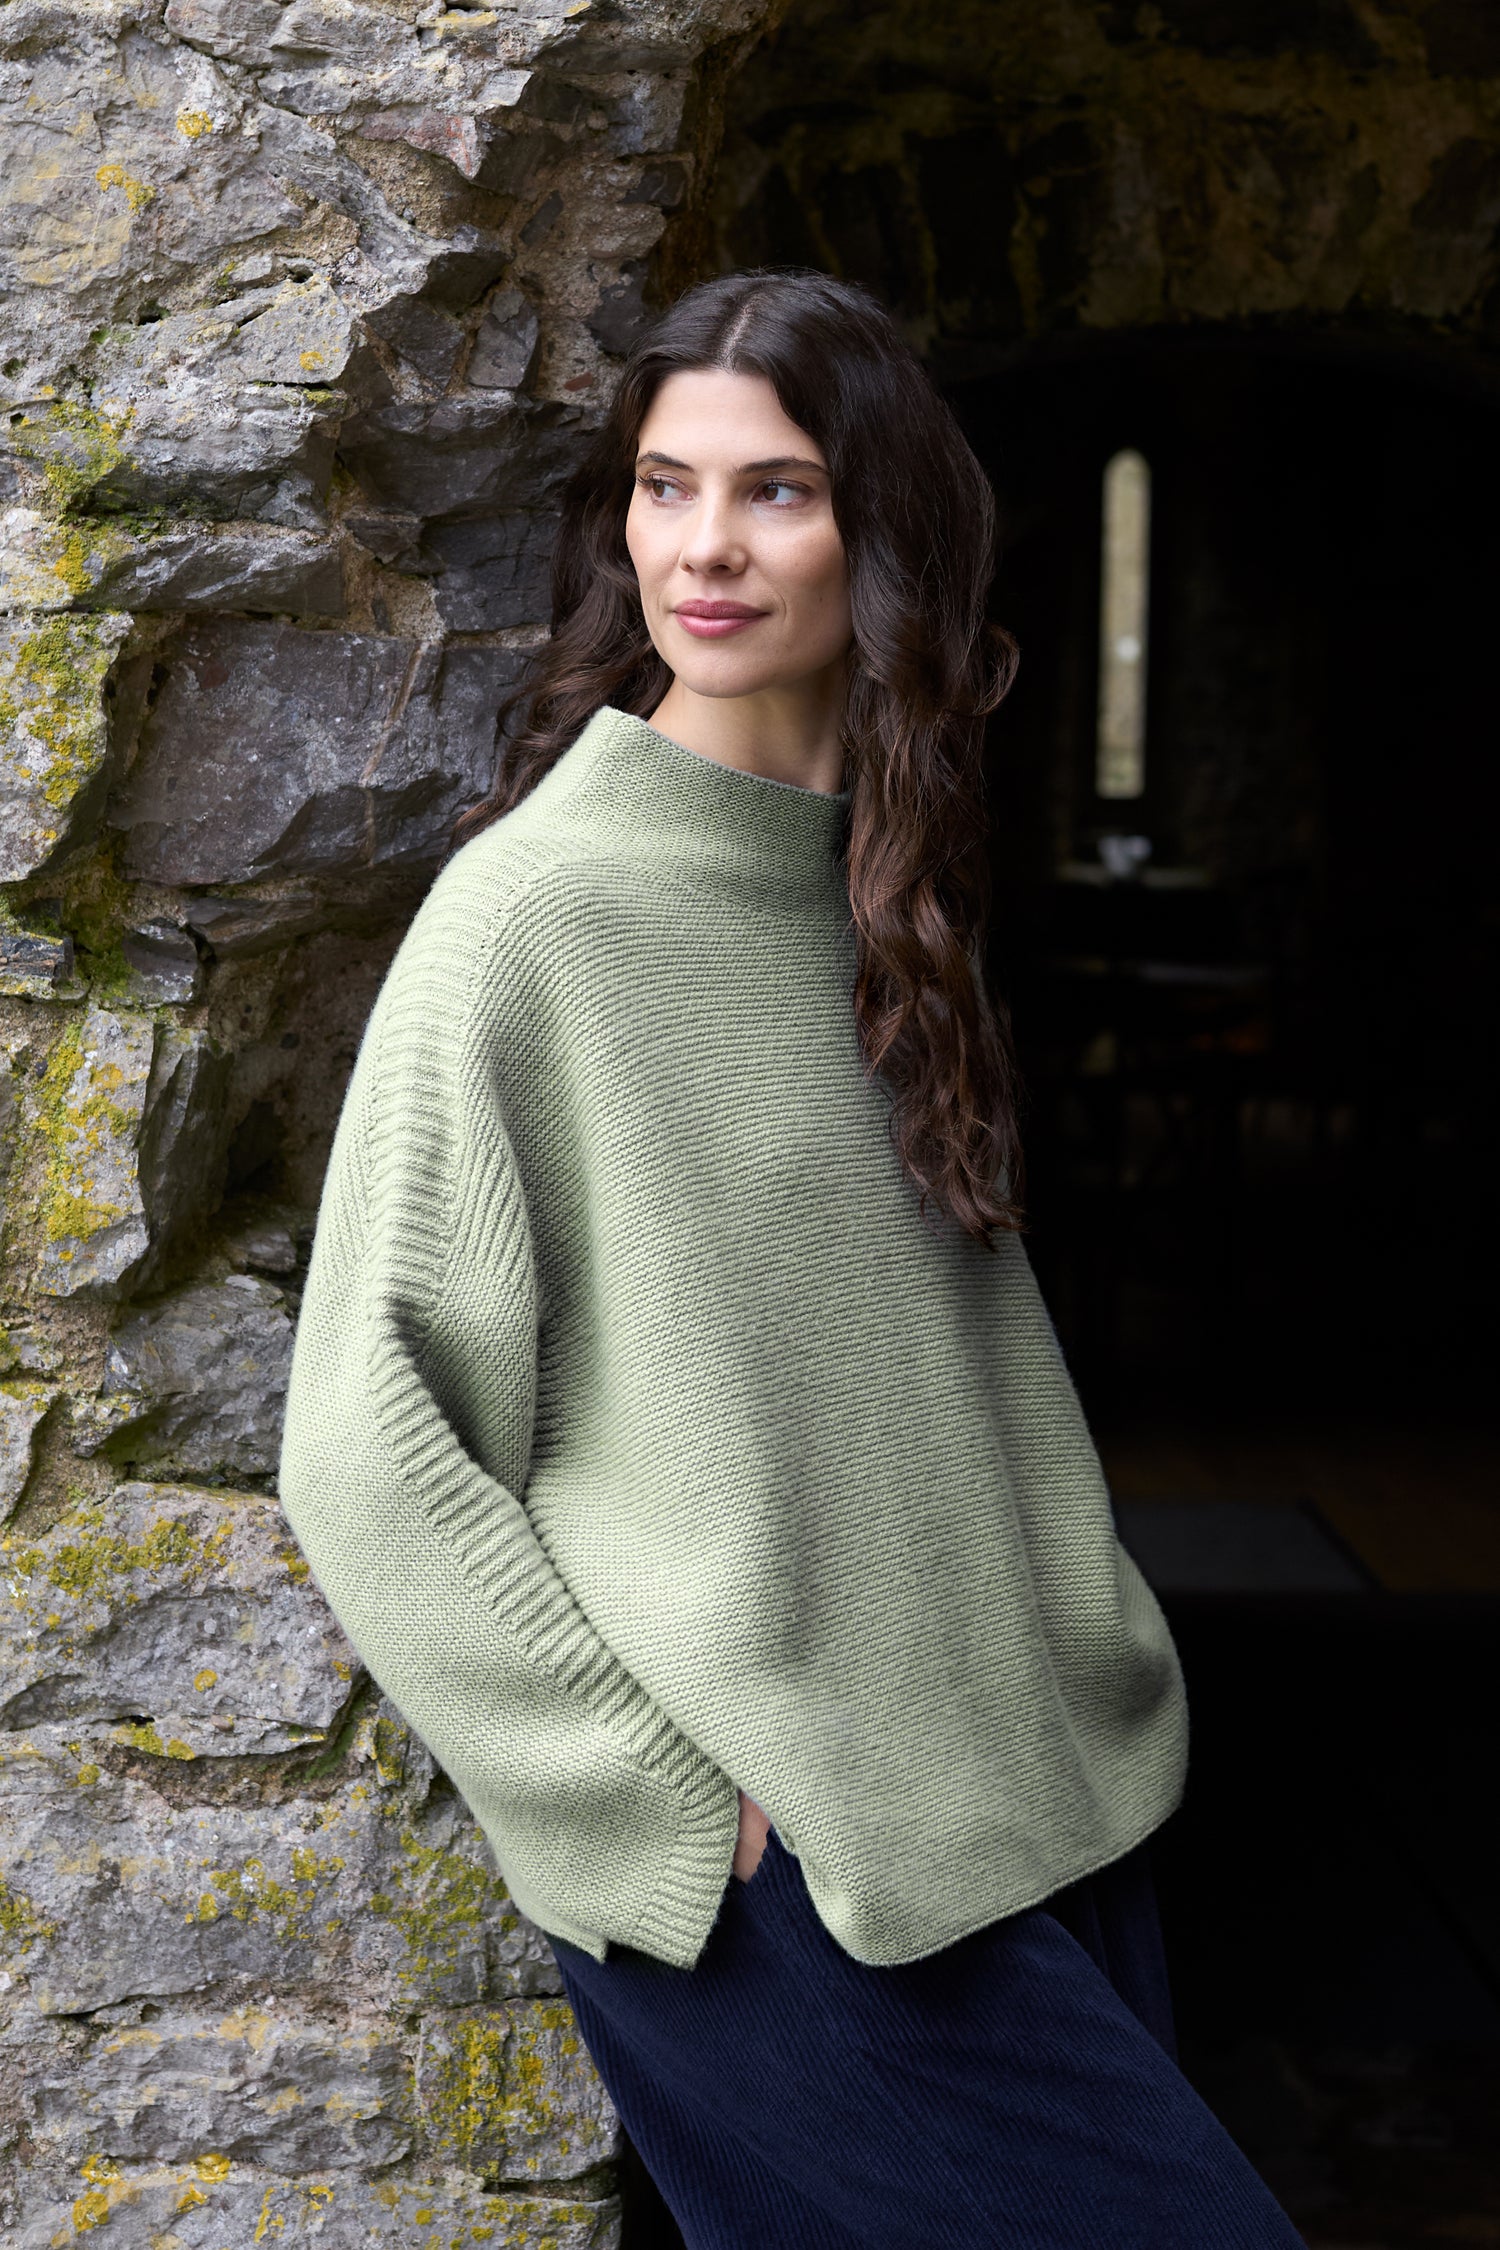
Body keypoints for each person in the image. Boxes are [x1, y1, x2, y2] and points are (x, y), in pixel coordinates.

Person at [279, 269, 1304, 2247]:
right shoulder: (534, 923)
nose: (707, 549)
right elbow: (365, 1437)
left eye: (777, 492)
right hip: (798, 1887)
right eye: (666, 490)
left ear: (885, 534)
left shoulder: (871, 894)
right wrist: (669, 1824)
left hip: (1035, 1811)